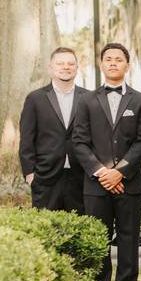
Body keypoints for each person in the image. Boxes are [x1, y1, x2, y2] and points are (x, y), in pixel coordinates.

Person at [71, 43, 141, 281]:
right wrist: (102, 172)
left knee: (129, 240)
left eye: (119, 59)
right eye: (108, 59)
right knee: (99, 240)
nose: (114, 63)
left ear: (127, 65)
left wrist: (120, 173)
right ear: (101, 64)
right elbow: (79, 141)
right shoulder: (86, 101)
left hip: (128, 184)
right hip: (96, 185)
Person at [19, 47, 90, 213]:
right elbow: (27, 138)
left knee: (80, 228)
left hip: (80, 176)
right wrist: (30, 173)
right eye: (60, 63)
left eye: (70, 63)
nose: (66, 67)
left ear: (76, 68)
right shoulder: (35, 98)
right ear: (50, 68)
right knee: (47, 230)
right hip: (45, 176)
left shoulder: (89, 98)